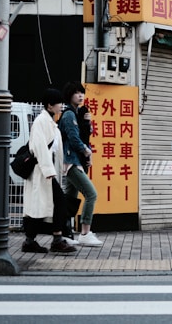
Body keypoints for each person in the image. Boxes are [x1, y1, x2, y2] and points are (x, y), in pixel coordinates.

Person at [21, 88, 77, 253]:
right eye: (59, 103)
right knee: (56, 202)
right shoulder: (41, 122)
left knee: (41, 208)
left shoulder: (50, 122)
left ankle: (31, 241)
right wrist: (49, 171)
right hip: (43, 173)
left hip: (46, 172)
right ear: (50, 105)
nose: (62, 106)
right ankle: (57, 240)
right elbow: (39, 147)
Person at [58, 81, 104, 247]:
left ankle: (64, 233)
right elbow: (74, 139)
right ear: (69, 95)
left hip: (73, 161)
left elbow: (84, 137)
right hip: (71, 162)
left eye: (82, 92)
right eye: (77, 92)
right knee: (91, 194)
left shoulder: (77, 114)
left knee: (69, 199)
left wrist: (87, 124)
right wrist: (87, 151)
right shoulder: (69, 114)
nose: (80, 95)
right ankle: (85, 233)